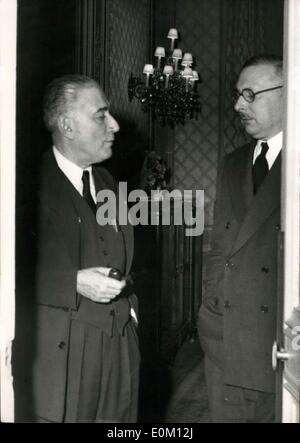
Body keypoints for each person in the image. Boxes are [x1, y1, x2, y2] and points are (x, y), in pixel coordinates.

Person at [20, 74, 139, 422]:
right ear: (68, 126)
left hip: (119, 349)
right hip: (62, 357)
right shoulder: (23, 184)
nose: (114, 126)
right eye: (101, 115)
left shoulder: (109, 183)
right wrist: (71, 281)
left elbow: (128, 258)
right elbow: (9, 272)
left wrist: (131, 316)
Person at [198, 55, 283, 423]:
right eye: (237, 94)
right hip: (224, 334)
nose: (237, 105)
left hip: (275, 339)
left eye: (250, 94)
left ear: (289, 93)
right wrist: (211, 302)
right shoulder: (233, 162)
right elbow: (220, 244)